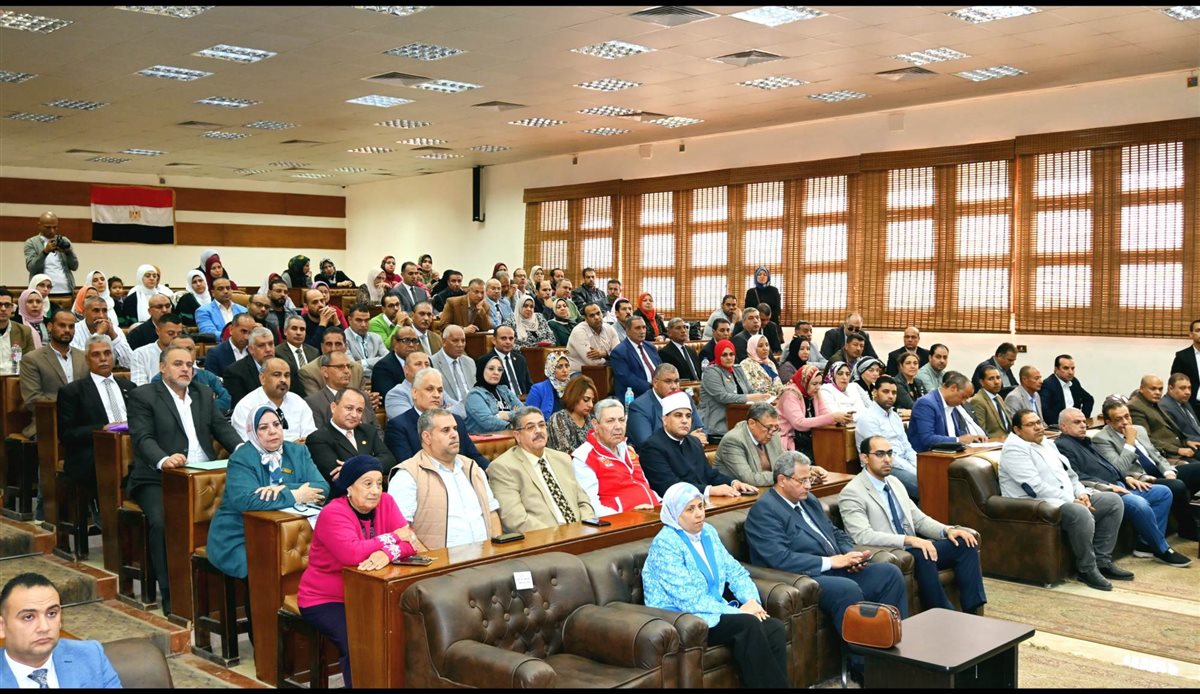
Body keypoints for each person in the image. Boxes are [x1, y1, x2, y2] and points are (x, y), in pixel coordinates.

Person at [743, 451, 908, 681]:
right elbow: (779, 558)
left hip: (837, 566)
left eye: (809, 479)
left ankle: (895, 655)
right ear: (782, 480)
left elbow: (835, 533)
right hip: (804, 576)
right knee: (846, 589)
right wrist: (831, 561)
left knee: (889, 574)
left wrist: (850, 554)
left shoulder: (808, 500)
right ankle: (864, 669)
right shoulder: (765, 511)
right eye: (802, 480)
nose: (809, 486)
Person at [127, 345, 241, 615]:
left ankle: (223, 593)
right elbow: (142, 438)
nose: (185, 369)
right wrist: (163, 459)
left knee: (240, 515)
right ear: (162, 367)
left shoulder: (202, 393)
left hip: (204, 476)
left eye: (190, 364)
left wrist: (242, 450)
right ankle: (172, 593)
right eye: (178, 364)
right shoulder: (143, 396)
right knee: (163, 522)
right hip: (158, 478)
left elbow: (222, 428)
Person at [642, 483, 790, 689]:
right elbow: (689, 598)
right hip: (683, 616)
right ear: (674, 514)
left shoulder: (708, 532)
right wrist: (739, 612)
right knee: (747, 625)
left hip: (713, 609)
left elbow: (735, 571)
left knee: (773, 627)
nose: (699, 514)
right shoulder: (665, 544)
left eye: (700, 506)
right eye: (690, 509)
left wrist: (751, 601)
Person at [299, 455, 422, 688]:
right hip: (327, 599)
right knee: (358, 640)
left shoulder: (387, 502)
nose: (375, 491)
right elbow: (352, 554)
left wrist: (387, 553)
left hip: (372, 594)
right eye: (367, 484)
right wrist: (393, 538)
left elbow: (411, 543)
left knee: (405, 631)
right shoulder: (333, 513)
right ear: (349, 486)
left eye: (379, 483)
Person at [841, 435, 987, 612]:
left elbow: (919, 520)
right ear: (864, 458)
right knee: (922, 553)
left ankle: (973, 611)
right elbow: (862, 536)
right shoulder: (852, 492)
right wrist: (909, 540)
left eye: (889, 453)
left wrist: (947, 530)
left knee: (964, 542)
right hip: (892, 552)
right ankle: (944, 613)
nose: (887, 459)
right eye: (879, 454)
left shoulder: (894, 482)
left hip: (914, 548)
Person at [999, 410, 1129, 590]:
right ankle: (1087, 569)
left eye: (1038, 422)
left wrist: (1081, 493)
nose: (1038, 427)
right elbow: (1035, 488)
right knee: (1079, 512)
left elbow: (1071, 475)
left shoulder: (1047, 443)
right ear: (1017, 430)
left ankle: (1102, 561)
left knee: (1112, 502)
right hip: (1036, 505)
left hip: (1064, 498)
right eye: (1030, 425)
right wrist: (1071, 500)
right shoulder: (1014, 450)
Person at [1055, 408, 1188, 567]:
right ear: (1063, 427)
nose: (1083, 425)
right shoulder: (1062, 446)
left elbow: (1109, 466)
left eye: (1084, 421)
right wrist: (1108, 486)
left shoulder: (1085, 441)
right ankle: (1162, 549)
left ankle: (1145, 544)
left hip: (1121, 484)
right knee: (1139, 503)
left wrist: (1128, 477)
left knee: (1163, 492)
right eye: (1077, 422)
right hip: (1102, 492)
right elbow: (1076, 476)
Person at [209, 406, 328, 582]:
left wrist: (283, 489)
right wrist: (296, 495)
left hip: (290, 532)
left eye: (276, 425)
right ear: (252, 432)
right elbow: (246, 500)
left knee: (323, 560)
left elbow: (322, 488)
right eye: (263, 428)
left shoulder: (298, 451)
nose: (272, 431)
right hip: (241, 534)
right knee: (267, 568)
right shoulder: (241, 458)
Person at [388, 408, 502, 549]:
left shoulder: (472, 468)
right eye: (445, 430)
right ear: (427, 437)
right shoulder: (407, 475)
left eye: (455, 428)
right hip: (440, 561)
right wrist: (432, 559)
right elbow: (402, 530)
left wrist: (496, 552)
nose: (454, 434)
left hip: (485, 557)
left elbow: (492, 513)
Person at [1092, 399, 1200, 541]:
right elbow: (1118, 469)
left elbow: (1155, 455)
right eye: (1118, 419)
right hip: (1140, 479)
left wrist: (1168, 472)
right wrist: (1130, 442)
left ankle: (1192, 516)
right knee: (1177, 486)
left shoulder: (1139, 429)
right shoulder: (1101, 439)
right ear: (1108, 422)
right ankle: (1188, 529)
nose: (1125, 422)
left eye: (1127, 416)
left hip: (1159, 471)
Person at [56, 335, 134, 515]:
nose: (103, 359)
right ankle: (107, 514)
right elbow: (67, 435)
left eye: (107, 353)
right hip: (92, 451)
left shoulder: (130, 387)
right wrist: (102, 429)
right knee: (109, 465)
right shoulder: (72, 392)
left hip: (131, 447)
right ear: (87, 359)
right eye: (96, 355)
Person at [0, 573, 122, 688]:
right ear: (2, 626)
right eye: (28, 617)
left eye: (52, 613)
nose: (44, 627)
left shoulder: (91, 655)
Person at [488, 407, 596, 532]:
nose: (538, 431)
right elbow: (514, 519)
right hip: (544, 539)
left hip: (581, 532)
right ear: (517, 435)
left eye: (541, 425)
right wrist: (560, 536)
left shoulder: (562, 459)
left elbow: (584, 502)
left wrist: (584, 528)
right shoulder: (503, 468)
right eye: (530, 427)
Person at [640, 392, 758, 498]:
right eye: (678, 415)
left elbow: (710, 475)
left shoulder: (694, 442)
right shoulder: (652, 447)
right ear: (665, 420)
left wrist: (733, 483)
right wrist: (710, 490)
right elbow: (669, 486)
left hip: (702, 503)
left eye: (688, 416)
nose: (685, 420)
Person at [384, 367, 491, 470]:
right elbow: (408, 467)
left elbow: (474, 456)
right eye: (429, 389)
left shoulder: (455, 420)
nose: (436, 395)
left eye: (440, 390)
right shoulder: (398, 426)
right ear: (414, 393)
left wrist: (493, 472)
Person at [572, 398, 658, 516]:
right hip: (625, 522)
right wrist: (629, 517)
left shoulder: (628, 450)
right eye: (610, 421)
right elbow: (591, 506)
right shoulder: (584, 457)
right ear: (595, 425)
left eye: (621, 420)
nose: (618, 426)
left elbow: (644, 486)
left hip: (653, 515)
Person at [306, 387, 395, 492]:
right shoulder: (318, 438)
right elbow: (337, 476)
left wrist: (354, 466)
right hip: (344, 496)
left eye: (359, 410)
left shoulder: (368, 431)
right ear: (334, 407)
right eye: (349, 408)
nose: (354, 415)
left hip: (378, 492)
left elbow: (389, 460)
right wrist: (373, 463)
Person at [18, 309, 87, 438]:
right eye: (62, 325)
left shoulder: (84, 357)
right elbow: (33, 399)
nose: (67, 330)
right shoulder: (32, 359)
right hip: (48, 422)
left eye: (71, 326)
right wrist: (70, 410)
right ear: (50, 327)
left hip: (83, 422)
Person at [854, 375, 920, 500]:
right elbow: (883, 454)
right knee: (925, 484)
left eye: (894, 393)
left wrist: (919, 465)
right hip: (882, 466)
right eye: (885, 391)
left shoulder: (895, 416)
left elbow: (907, 447)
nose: (890, 396)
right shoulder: (868, 418)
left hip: (903, 463)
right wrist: (914, 470)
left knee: (936, 478)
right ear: (874, 393)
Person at [231, 357, 317, 442]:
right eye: (277, 375)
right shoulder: (246, 407)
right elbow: (247, 445)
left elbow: (311, 438)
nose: (283, 380)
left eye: (287, 375)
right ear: (262, 378)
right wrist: (290, 447)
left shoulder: (298, 402)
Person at [778, 364, 852, 455]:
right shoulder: (790, 394)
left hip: (810, 438)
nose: (818, 387)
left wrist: (840, 419)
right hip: (791, 440)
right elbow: (799, 423)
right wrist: (832, 417)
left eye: (820, 383)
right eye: (814, 384)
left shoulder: (814, 392)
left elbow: (824, 412)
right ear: (804, 382)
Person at [713, 402, 791, 487]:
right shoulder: (733, 440)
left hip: (767, 488)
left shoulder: (773, 434)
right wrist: (784, 476)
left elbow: (785, 463)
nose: (772, 432)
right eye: (769, 427)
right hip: (738, 492)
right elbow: (749, 479)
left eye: (776, 427)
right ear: (752, 423)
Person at [907, 371, 988, 453]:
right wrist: (958, 440)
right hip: (928, 455)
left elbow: (954, 432)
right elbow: (927, 438)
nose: (963, 402)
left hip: (950, 453)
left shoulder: (952, 403)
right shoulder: (926, 403)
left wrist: (972, 438)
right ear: (953, 388)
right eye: (963, 397)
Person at [628, 364, 706, 448]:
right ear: (655, 383)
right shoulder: (639, 407)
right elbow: (647, 444)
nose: (674, 386)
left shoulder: (685, 398)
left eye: (676, 381)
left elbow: (701, 431)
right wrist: (689, 440)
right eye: (668, 381)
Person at [700, 339, 766, 439]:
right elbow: (723, 397)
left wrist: (762, 397)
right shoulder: (711, 372)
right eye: (724, 355)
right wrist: (750, 397)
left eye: (732, 354)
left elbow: (750, 390)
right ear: (718, 355)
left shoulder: (737, 369)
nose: (729, 358)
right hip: (718, 425)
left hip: (740, 420)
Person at [151, 336, 231, 415]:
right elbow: (163, 408)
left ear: (195, 352)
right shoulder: (160, 379)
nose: (185, 352)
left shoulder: (208, 376)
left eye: (189, 349)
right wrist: (206, 405)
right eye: (179, 349)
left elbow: (226, 400)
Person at [1127, 374, 1200, 459]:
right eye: (1153, 389)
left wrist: (1186, 442)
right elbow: (1145, 440)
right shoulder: (1135, 407)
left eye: (1160, 389)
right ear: (1142, 388)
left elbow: (1172, 429)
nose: (1158, 392)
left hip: (1181, 447)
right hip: (1168, 455)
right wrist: (1177, 450)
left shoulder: (1154, 403)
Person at [305, 348, 377, 424]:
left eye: (348, 366)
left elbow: (376, 428)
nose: (347, 371)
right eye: (340, 367)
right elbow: (320, 431)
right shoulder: (314, 402)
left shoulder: (363, 397)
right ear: (325, 371)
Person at [385, 351, 463, 420]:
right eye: (418, 364)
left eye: (427, 364)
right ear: (406, 369)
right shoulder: (396, 394)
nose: (424, 368)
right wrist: (444, 411)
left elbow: (461, 411)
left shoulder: (437, 389)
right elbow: (410, 421)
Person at [297, 327, 365, 400]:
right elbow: (317, 403)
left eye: (338, 344)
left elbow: (362, 399)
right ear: (322, 347)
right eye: (329, 344)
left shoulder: (357, 369)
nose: (333, 349)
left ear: (345, 347)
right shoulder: (308, 372)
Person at [23, 212, 79, 295]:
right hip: (42, 292)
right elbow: (32, 268)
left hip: (67, 290)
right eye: (48, 227)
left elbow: (74, 266)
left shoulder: (63, 241)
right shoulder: (31, 242)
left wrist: (68, 252)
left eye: (55, 227)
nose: (52, 230)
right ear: (39, 225)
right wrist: (45, 252)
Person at [465, 354, 522, 434]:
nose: (496, 373)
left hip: (512, 436)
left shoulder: (505, 390)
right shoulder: (474, 395)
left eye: (500, 369)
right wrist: (513, 423)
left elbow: (524, 412)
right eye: (491, 369)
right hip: (487, 440)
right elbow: (489, 422)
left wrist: (507, 415)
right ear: (481, 369)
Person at [611, 315, 661, 399]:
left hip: (658, 391)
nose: (642, 331)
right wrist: (653, 388)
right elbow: (627, 378)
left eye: (644, 327)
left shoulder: (650, 347)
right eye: (638, 328)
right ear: (627, 331)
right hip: (636, 395)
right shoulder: (619, 352)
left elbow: (661, 368)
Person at [129, 312, 183, 386]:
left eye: (179, 334)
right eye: (171, 333)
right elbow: (139, 385)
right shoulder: (141, 353)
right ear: (158, 331)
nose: (175, 337)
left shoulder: (184, 352)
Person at [547, 375, 597, 453]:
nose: (591, 405)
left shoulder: (592, 419)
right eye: (586, 399)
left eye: (592, 401)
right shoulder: (558, 418)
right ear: (574, 396)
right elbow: (565, 452)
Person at [1040, 354, 1094, 426]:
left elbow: (1089, 399)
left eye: (1072, 368)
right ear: (1056, 369)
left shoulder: (1074, 381)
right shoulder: (1048, 384)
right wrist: (1060, 425)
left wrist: (1082, 419)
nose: (1070, 372)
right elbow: (1045, 410)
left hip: (1075, 425)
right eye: (1066, 368)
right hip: (1059, 426)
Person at [565, 302, 617, 371]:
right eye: (592, 315)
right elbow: (593, 363)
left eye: (598, 313)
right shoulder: (579, 331)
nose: (597, 317)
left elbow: (619, 354)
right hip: (578, 372)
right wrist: (612, 359)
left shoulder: (610, 328)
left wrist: (605, 354)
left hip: (606, 370)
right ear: (585, 318)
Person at [968, 365, 1014, 438]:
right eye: (991, 379)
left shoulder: (998, 397)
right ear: (982, 382)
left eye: (998, 378)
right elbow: (981, 431)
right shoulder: (978, 400)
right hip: (994, 442)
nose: (996, 382)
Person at [1168, 319, 1200, 421]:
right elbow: (1175, 381)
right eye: (1198, 330)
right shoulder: (1182, 356)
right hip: (1192, 405)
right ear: (1191, 334)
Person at [274, 315, 318, 388]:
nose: (298, 333)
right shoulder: (278, 352)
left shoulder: (314, 352)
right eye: (294, 328)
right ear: (285, 331)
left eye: (302, 329)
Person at [344, 304, 388, 377]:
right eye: (359, 320)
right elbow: (352, 367)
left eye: (367, 320)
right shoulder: (343, 339)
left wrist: (363, 362)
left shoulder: (376, 338)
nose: (363, 325)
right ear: (349, 320)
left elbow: (388, 359)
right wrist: (378, 367)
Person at [488, 324, 532, 396]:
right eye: (503, 338)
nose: (508, 342)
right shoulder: (487, 361)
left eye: (511, 338)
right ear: (494, 340)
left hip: (524, 400)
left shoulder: (520, 359)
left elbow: (529, 385)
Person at [0, 288, 36, 374]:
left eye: (7, 305)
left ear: (12, 308)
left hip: (17, 378)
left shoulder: (24, 331)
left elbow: (31, 362)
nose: (3, 309)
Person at [526, 352, 570, 419]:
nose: (565, 370)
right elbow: (529, 416)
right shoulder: (538, 389)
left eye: (567, 366)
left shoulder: (574, 387)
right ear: (551, 369)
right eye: (559, 367)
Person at [658, 317, 702, 382]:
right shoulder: (665, 353)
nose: (683, 331)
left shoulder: (691, 351)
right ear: (669, 333)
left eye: (685, 327)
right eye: (678, 328)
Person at [1162, 373, 1200, 443]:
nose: (1188, 392)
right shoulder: (1165, 407)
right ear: (1170, 388)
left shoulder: (1184, 402)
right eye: (1183, 388)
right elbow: (1178, 436)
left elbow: (1195, 427)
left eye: (1189, 388)